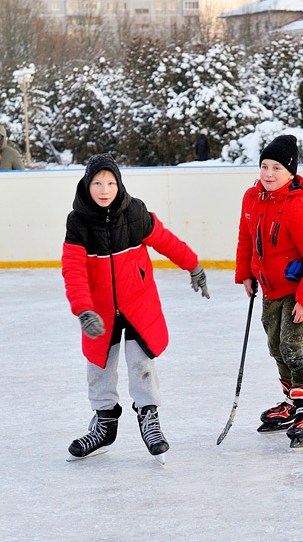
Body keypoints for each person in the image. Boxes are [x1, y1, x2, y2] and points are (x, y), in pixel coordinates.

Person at [61, 153, 210, 463]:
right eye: (98, 183)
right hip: (99, 310)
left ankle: (149, 417)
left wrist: (193, 265)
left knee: (141, 364)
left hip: (137, 303)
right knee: (98, 367)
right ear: (87, 185)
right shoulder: (78, 223)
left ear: (120, 184)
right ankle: (104, 424)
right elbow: (74, 271)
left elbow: (166, 241)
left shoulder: (136, 212)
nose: (105, 190)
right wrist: (83, 310)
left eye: (111, 183)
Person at [235, 134, 303, 449]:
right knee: (276, 346)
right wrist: (245, 274)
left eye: (276, 167)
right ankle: (293, 401)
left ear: (291, 173)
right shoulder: (251, 199)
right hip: (268, 289)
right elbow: (246, 240)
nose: (269, 174)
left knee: (293, 345)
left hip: (296, 291)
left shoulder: (300, 209)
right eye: (264, 166)